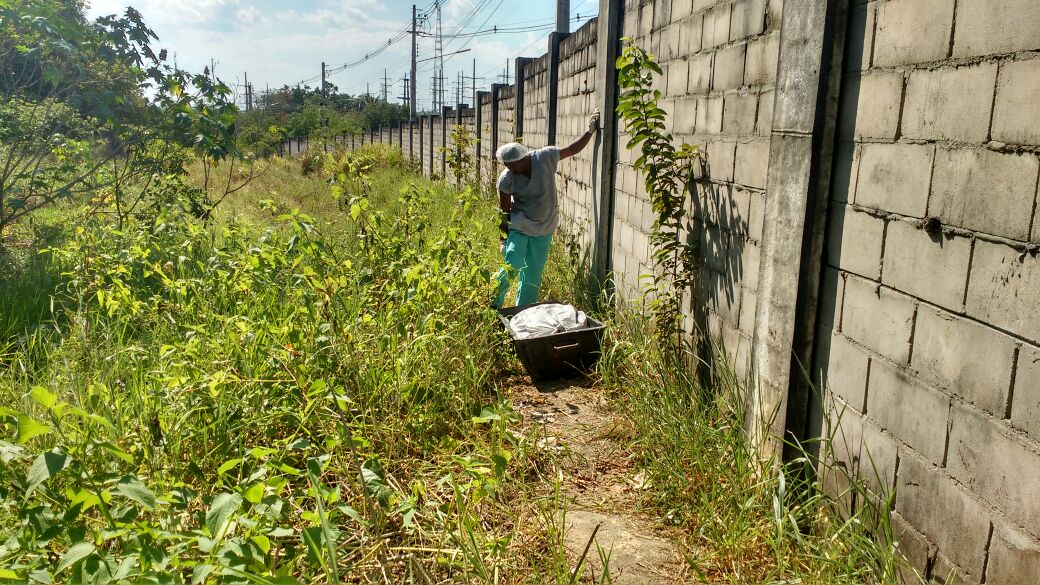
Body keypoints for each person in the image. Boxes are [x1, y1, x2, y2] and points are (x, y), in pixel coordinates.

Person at [493, 108, 601, 308]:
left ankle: (523, 311)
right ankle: (493, 307)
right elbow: (504, 211)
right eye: (506, 165)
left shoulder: (544, 158)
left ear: (522, 159)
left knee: (532, 275)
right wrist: (502, 239)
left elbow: (572, 149)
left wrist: (589, 132)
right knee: (511, 266)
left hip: (544, 227)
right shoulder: (506, 179)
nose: (509, 169)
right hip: (520, 226)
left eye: (512, 165)